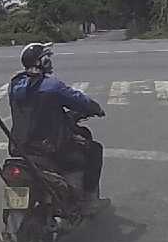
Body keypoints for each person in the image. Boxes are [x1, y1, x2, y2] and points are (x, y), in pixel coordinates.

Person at [7, 42, 109, 215]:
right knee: (94, 150)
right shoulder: (52, 86)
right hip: (50, 147)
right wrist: (95, 108)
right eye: (47, 58)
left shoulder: (14, 85)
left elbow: (37, 112)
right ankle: (89, 201)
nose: (50, 62)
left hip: (20, 147)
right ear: (42, 62)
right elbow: (78, 100)